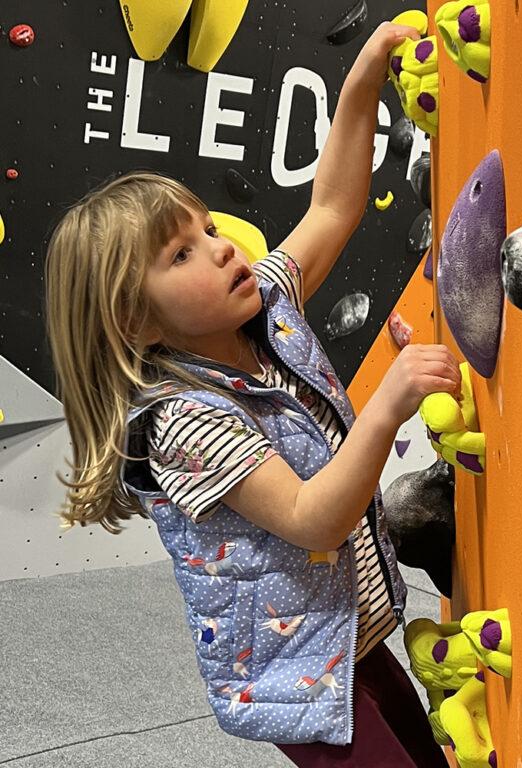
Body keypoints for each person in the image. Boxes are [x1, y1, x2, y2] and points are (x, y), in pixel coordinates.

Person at [44, 21, 460, 768]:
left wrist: (361, 83)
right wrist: (390, 404)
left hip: (348, 643)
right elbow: (311, 519)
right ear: (133, 321)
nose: (223, 247)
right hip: (299, 681)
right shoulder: (183, 423)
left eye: (207, 228)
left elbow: (331, 208)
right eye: (182, 254)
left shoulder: (266, 306)